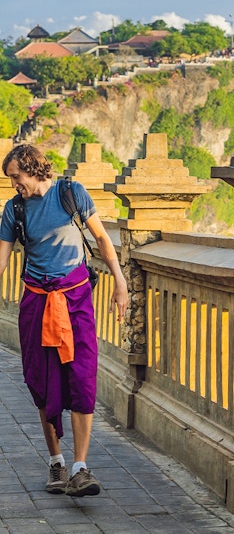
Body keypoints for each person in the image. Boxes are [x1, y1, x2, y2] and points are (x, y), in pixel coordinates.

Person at [0, 144, 128, 497]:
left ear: (32, 169)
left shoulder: (71, 193)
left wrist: (120, 281)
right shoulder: (15, 210)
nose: (14, 184)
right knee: (43, 383)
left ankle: (80, 468)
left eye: (16, 177)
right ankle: (56, 463)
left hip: (76, 299)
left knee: (83, 379)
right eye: (10, 179)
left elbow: (102, 238)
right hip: (37, 302)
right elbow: (2, 259)